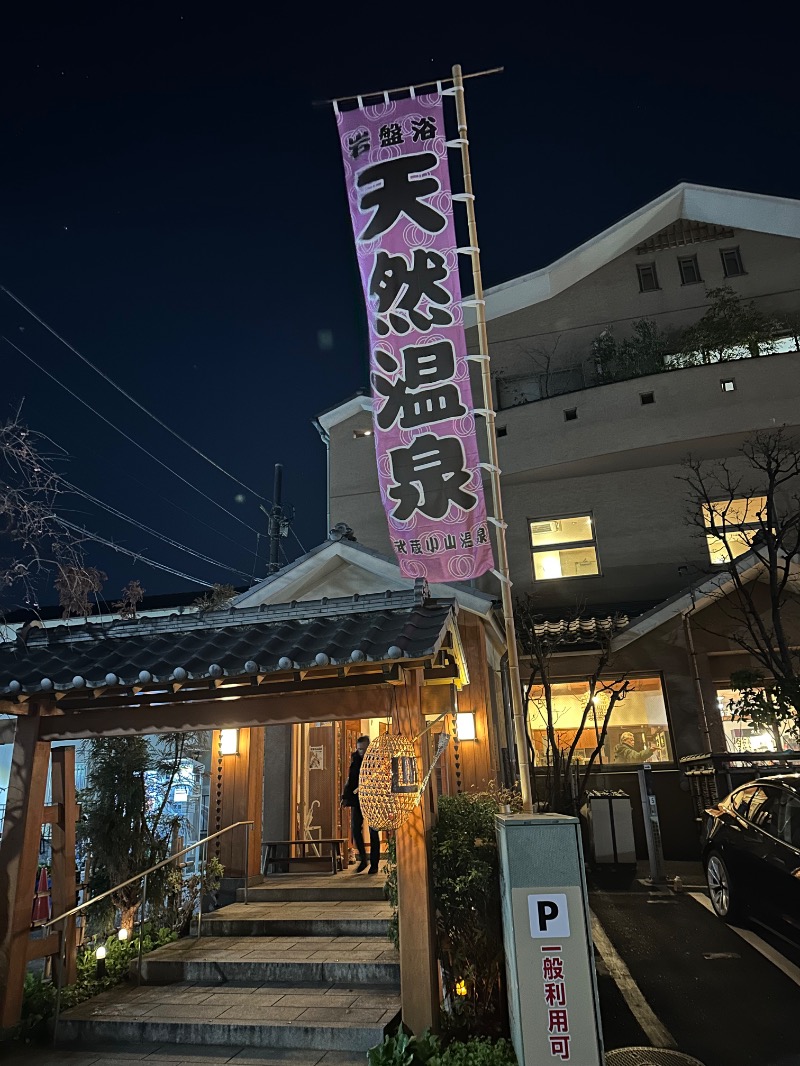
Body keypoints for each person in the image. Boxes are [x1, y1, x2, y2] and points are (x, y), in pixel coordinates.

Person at [341, 735, 380, 874]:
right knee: (355, 829)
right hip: (357, 799)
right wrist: (346, 796)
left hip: (373, 798)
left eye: (363, 749)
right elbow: (350, 779)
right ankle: (363, 859)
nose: (361, 752)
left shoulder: (376, 759)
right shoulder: (355, 759)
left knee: (373, 831)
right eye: (359, 749)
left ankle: (374, 864)